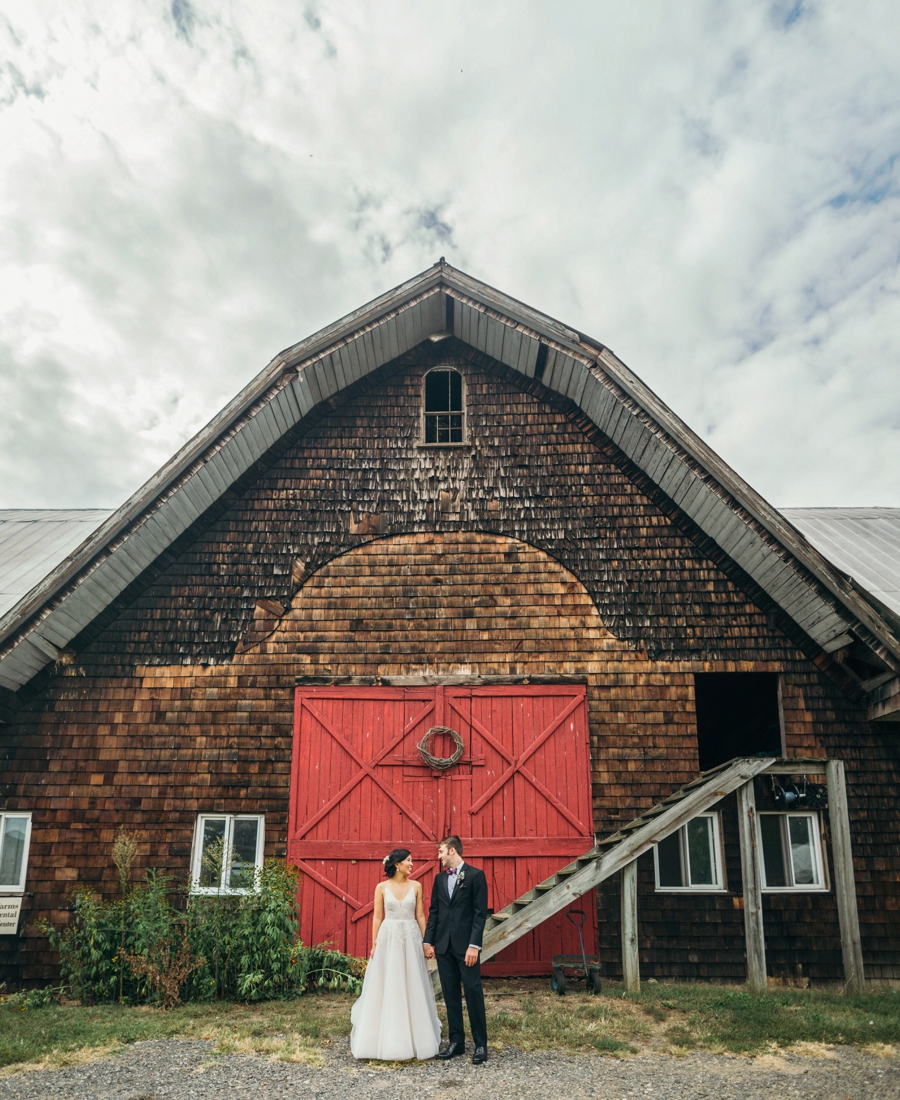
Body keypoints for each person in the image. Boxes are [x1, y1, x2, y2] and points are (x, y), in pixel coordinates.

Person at [349, 848, 442, 1061]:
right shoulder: (381, 887)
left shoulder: (416, 886)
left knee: (412, 982)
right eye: (408, 861)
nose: (412, 864)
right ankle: (382, 1037)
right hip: (389, 938)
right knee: (388, 981)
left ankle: (415, 1035)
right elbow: (377, 917)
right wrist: (374, 944)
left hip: (410, 938)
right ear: (397, 864)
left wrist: (426, 941)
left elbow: (420, 915)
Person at [423, 835, 489, 1065]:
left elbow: (480, 914)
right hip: (443, 946)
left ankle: (481, 1044)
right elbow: (434, 912)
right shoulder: (439, 879)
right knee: (450, 995)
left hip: (466, 948)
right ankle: (456, 1042)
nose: (439, 856)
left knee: (473, 993)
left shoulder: (475, 876)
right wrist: (428, 941)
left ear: (451, 851)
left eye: (440, 852)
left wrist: (474, 946)